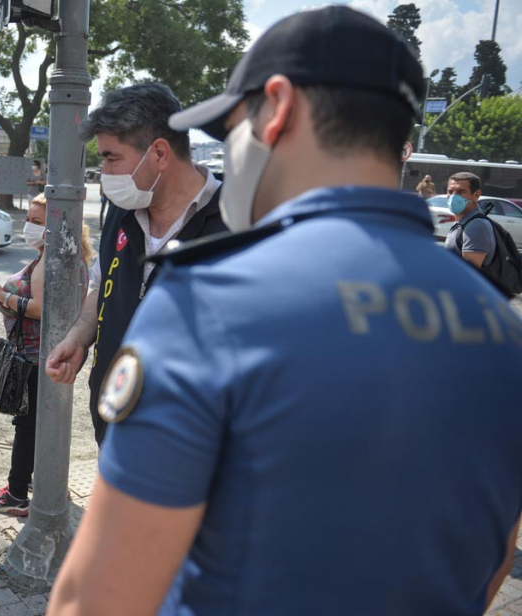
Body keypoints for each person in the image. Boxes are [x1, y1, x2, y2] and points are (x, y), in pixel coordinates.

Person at [48, 7, 522, 615]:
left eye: (233, 127)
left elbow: (96, 600)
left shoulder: (206, 303)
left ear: (276, 109)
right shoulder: (497, 327)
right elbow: (494, 563)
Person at [44, 82, 227, 446]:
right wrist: (79, 338)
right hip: (115, 429)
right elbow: (102, 285)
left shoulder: (236, 221)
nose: (105, 172)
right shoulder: (121, 212)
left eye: (112, 158)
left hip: (190, 445)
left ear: (159, 153)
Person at [0, 194, 93, 516]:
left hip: (34, 357)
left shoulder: (51, 260)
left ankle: (15, 493)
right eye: (29, 218)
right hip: (47, 355)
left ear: (57, 226)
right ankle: (42, 481)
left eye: (38, 221)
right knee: (41, 424)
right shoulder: (67, 255)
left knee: (27, 426)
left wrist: (2, 295)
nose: (29, 226)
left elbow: (43, 309)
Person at [444, 171, 493, 269]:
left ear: (476, 195)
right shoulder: (462, 223)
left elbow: (469, 273)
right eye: (450, 192)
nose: (453, 197)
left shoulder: (476, 226)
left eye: (461, 192)